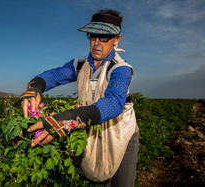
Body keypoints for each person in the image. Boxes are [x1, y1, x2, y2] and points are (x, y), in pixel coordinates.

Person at [21, 9, 139, 187]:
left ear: (117, 40)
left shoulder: (120, 69)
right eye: (93, 36)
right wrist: (35, 87)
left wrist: (68, 119)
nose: (97, 43)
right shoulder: (80, 65)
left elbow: (113, 103)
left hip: (122, 133)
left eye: (104, 37)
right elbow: (54, 75)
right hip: (92, 127)